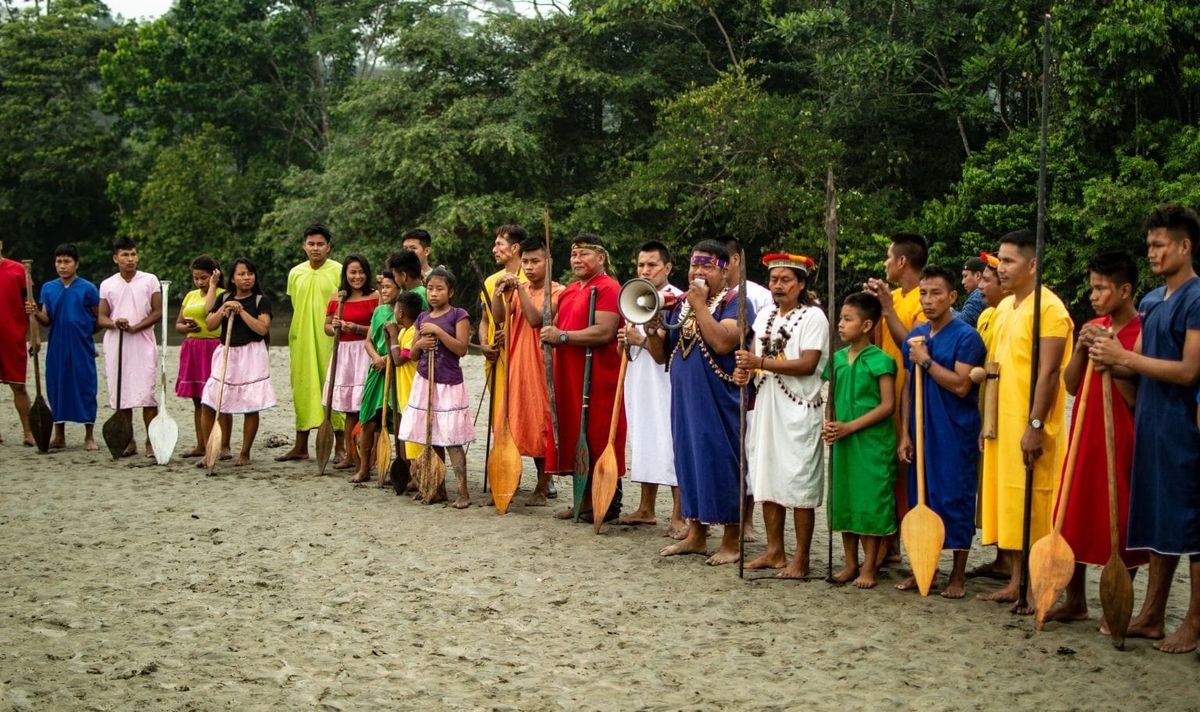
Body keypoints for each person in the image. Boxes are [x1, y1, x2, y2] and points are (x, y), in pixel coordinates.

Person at [1091, 205, 1200, 653]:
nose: (1152, 252)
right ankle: (1153, 613)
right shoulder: (1154, 301)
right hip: (1151, 422)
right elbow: (1134, 373)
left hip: (1185, 427)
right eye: (1149, 245)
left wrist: (1126, 360)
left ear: (1184, 246)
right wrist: (1107, 355)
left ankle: (1194, 621)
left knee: (1192, 527)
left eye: (1159, 244)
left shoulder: (1196, 298)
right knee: (1159, 522)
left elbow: (1191, 370)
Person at [1045, 252, 1148, 624]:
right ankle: (1076, 600)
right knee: (1072, 513)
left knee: (1118, 517)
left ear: (1125, 290)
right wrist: (1081, 348)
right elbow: (1071, 385)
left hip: (1123, 435)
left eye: (1102, 288)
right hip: (1085, 435)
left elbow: (1137, 396)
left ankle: (1115, 603)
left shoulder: (1142, 331)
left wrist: (1113, 358)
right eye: (1092, 287)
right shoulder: (1093, 325)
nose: (1094, 295)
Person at [978, 229, 1072, 612]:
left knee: (1034, 502)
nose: (1001, 268)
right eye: (1000, 260)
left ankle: (1038, 586)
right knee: (1009, 503)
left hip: (1032, 424)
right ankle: (1016, 580)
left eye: (1010, 260)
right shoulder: (1004, 308)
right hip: (1001, 421)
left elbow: (1049, 373)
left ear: (1033, 265)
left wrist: (1035, 425)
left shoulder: (1049, 309)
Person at [644, 240, 751, 564]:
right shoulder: (679, 305)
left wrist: (701, 305)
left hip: (721, 399)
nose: (698, 272)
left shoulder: (736, 302)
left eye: (706, 266)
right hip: (685, 399)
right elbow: (662, 354)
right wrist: (651, 333)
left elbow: (722, 342)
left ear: (723, 269)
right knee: (689, 461)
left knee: (723, 462)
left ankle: (731, 541)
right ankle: (697, 534)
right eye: (694, 266)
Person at [734, 253, 828, 579]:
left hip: (800, 408)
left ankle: (800, 559)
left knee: (800, 482)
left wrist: (760, 364)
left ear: (801, 284)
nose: (777, 286)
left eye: (786, 280)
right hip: (767, 404)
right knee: (767, 477)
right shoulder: (764, 317)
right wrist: (746, 372)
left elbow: (807, 364)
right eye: (773, 280)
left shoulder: (814, 317)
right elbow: (755, 360)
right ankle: (775, 551)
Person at [897, 266, 987, 598]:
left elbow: (963, 386)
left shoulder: (967, 337)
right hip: (921, 427)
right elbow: (907, 387)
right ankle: (926, 569)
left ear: (952, 297)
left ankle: (958, 575)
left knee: (954, 496)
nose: (928, 300)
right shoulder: (915, 335)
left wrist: (926, 361)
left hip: (955, 429)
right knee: (922, 495)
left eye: (936, 293)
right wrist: (905, 433)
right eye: (923, 293)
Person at [540, 234, 626, 523]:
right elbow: (547, 325)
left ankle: (607, 502)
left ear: (600, 258)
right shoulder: (570, 290)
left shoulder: (609, 288)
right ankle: (584, 500)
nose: (577, 260)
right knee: (577, 432)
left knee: (598, 435)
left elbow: (604, 331)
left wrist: (562, 336)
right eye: (574, 255)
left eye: (584, 254)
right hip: (571, 375)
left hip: (598, 376)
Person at [823, 292, 897, 588]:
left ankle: (870, 567)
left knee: (871, 502)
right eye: (840, 318)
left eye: (848, 319)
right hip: (842, 439)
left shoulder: (881, 360)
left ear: (866, 325)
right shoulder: (838, 359)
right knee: (845, 499)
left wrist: (850, 426)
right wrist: (829, 422)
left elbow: (887, 405)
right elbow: (830, 396)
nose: (841, 324)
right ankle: (850, 562)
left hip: (871, 441)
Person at [864, 232, 928, 555]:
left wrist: (888, 308)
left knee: (904, 468)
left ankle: (901, 542)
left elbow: (911, 344)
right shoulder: (898, 298)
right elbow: (878, 342)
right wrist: (874, 310)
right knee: (885, 469)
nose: (886, 264)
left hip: (910, 392)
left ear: (902, 261)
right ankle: (886, 541)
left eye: (889, 258)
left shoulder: (923, 299)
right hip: (885, 389)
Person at [617, 241, 686, 535]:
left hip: (667, 383)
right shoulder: (635, 296)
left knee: (670, 444)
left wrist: (640, 340)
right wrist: (626, 342)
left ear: (667, 268)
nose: (645, 270)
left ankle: (679, 515)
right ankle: (646, 508)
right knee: (645, 440)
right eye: (641, 265)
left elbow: (664, 352)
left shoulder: (677, 301)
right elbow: (630, 347)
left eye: (652, 265)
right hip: (640, 381)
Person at [492, 236, 564, 506]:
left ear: (549, 262)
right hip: (515, 364)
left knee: (539, 422)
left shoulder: (558, 291)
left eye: (535, 261)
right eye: (526, 262)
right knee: (511, 421)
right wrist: (499, 292)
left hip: (541, 365)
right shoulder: (518, 288)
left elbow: (536, 319)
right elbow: (500, 317)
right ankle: (510, 479)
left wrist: (519, 287)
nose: (530, 267)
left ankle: (544, 486)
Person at [397, 268, 475, 507]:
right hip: (424, 381)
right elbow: (413, 354)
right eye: (430, 288)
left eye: (439, 289)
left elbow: (462, 349)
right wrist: (421, 341)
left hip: (448, 383)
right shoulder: (421, 318)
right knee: (430, 437)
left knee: (451, 438)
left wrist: (439, 332)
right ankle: (437, 488)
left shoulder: (459, 315)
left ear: (450, 292)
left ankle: (463, 492)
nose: (433, 293)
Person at [199, 258, 275, 467]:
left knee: (250, 406)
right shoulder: (224, 296)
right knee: (210, 402)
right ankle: (211, 451)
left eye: (250, 273)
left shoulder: (261, 300)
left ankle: (245, 453)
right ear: (232, 278)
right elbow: (211, 324)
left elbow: (262, 329)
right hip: (226, 353)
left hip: (251, 355)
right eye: (241, 274)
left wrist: (241, 311)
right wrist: (224, 307)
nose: (246, 278)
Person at [277, 225, 343, 462]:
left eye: (320, 244)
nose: (315, 248)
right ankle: (300, 445)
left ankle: (340, 448)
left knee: (333, 385)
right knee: (303, 388)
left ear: (328, 247)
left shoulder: (339, 271)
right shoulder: (295, 272)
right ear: (304, 246)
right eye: (311, 244)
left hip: (330, 338)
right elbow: (297, 302)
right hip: (301, 337)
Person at [720, 235, 769, 540]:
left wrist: (750, 366)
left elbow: (763, 336)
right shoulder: (715, 297)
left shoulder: (758, 296)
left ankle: (746, 519)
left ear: (736, 260)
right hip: (722, 383)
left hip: (751, 383)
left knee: (746, 451)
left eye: (723, 262)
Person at [29, 244, 99, 450]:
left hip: (81, 345)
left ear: (76, 264)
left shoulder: (88, 288)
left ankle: (89, 436)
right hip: (57, 345)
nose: (62, 266)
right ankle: (59, 435)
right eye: (59, 261)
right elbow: (46, 319)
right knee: (57, 387)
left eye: (67, 261)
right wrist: (34, 311)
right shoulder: (48, 288)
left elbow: (98, 318)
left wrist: (85, 332)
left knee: (86, 387)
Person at [97, 237, 162, 458]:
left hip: (143, 341)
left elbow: (157, 312)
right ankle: (128, 441)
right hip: (117, 343)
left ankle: (151, 442)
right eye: (125, 255)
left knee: (147, 394)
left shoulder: (150, 280)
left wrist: (137, 327)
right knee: (122, 393)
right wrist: (115, 323)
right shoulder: (107, 284)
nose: (130, 259)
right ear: (116, 258)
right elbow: (102, 317)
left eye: (133, 254)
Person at [324, 254, 379, 469]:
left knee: (365, 407)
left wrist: (355, 328)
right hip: (344, 354)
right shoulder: (338, 298)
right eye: (352, 272)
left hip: (365, 351)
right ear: (345, 274)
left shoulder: (376, 296)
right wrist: (336, 327)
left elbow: (380, 326)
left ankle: (368, 457)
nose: (357, 277)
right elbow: (326, 328)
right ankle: (349, 455)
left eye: (361, 272)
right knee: (349, 409)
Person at [480, 225, 527, 450]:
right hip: (497, 356)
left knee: (528, 413)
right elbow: (485, 320)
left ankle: (544, 479)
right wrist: (483, 344)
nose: (494, 249)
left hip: (523, 357)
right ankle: (504, 469)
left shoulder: (532, 276)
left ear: (515, 247)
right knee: (499, 414)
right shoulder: (491, 281)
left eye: (499, 244)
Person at [175, 256, 224, 457]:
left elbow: (208, 309)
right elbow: (178, 325)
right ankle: (201, 444)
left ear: (214, 275)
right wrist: (187, 326)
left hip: (213, 346)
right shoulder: (190, 296)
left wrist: (213, 285)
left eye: (204, 278)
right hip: (192, 346)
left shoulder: (222, 294)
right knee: (198, 400)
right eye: (196, 278)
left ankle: (223, 445)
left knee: (217, 399)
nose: (199, 282)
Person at [355, 271, 400, 484]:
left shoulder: (405, 313)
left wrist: (387, 358)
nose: (384, 291)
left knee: (397, 420)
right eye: (383, 287)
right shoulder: (380, 311)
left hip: (396, 370)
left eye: (389, 287)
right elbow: (368, 341)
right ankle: (364, 468)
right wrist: (376, 358)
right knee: (368, 421)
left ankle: (401, 468)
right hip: (377, 370)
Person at [0, 239, 34, 446]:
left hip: (13, 337)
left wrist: (35, 335)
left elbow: (30, 304)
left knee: (19, 386)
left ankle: (28, 432)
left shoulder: (18, 270)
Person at [387, 291, 425, 470]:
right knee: (408, 434)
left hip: (413, 390)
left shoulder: (411, 333)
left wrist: (393, 336)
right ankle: (411, 472)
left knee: (415, 438)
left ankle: (418, 474)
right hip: (403, 391)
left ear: (400, 312)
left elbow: (399, 359)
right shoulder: (404, 332)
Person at [958, 256, 987, 328]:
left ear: (978, 275)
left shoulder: (979, 293)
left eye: (965, 276)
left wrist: (948, 311)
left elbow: (962, 322)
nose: (962, 282)